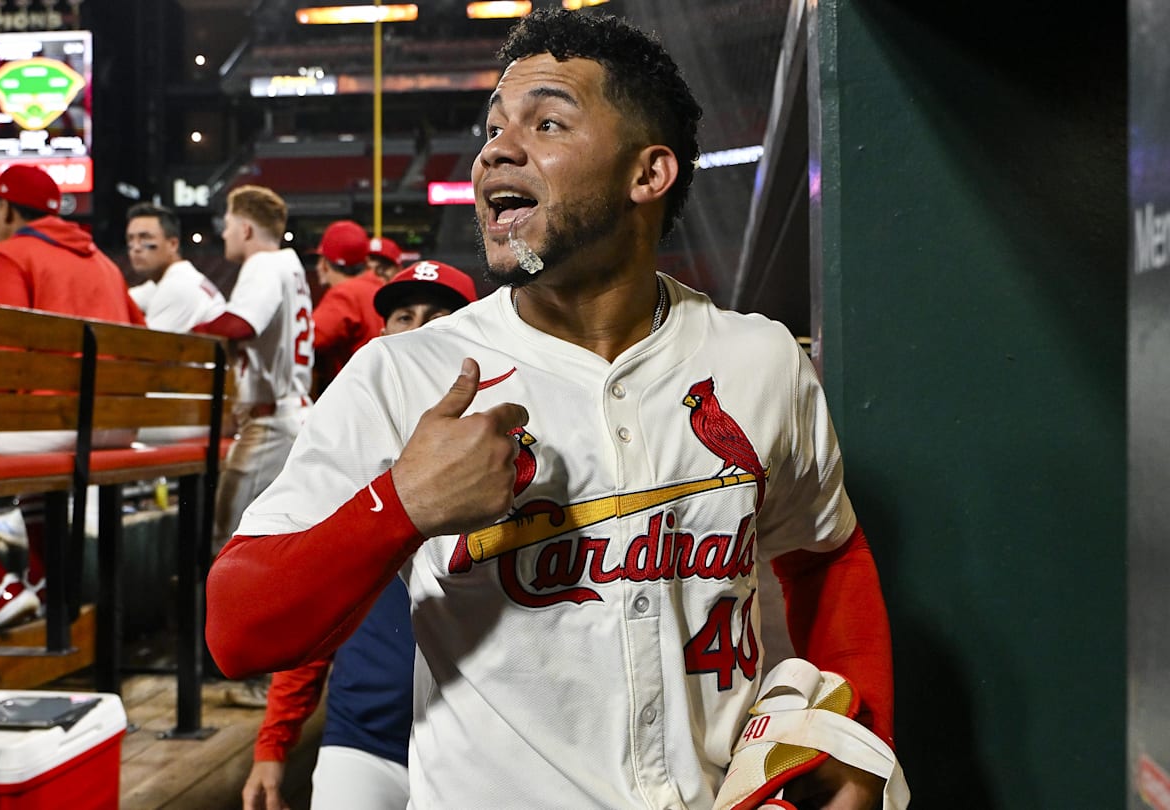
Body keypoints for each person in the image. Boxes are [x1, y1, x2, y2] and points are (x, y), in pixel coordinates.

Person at [206, 9, 897, 809]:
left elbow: (827, 554)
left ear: (649, 173)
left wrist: (858, 748)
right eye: (494, 126)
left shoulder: (759, 359)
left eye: (547, 122)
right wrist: (399, 506)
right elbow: (236, 631)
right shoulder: (405, 374)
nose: (497, 147)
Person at [241, 260, 478, 810]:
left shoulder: (514, 445)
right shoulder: (348, 452)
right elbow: (311, 607)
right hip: (364, 740)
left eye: (440, 316)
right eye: (403, 316)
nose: (417, 330)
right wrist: (274, 741)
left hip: (480, 746)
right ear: (381, 335)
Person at [0, 164, 145, 640]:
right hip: (120, 424)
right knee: (35, 466)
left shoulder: (7, 254)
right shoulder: (104, 262)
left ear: (5, 207)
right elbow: (142, 338)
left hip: (61, 420)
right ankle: (44, 581)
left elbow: (6, 354)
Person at [191, 185, 314, 705]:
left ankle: (256, 676)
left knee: (236, 552)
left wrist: (191, 329)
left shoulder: (264, 265)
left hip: (272, 424)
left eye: (226, 222)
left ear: (245, 227)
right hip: (287, 416)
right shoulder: (290, 265)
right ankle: (270, 672)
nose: (221, 232)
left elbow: (240, 323)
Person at [124, 202, 227, 332]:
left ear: (173, 244)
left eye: (145, 237)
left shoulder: (178, 287)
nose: (136, 247)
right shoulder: (176, 278)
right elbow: (121, 299)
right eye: (130, 239)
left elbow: (142, 348)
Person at [308, 219, 382, 395]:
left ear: (325, 264)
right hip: (380, 390)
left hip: (359, 395)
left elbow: (308, 340)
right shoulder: (377, 285)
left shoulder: (345, 294)